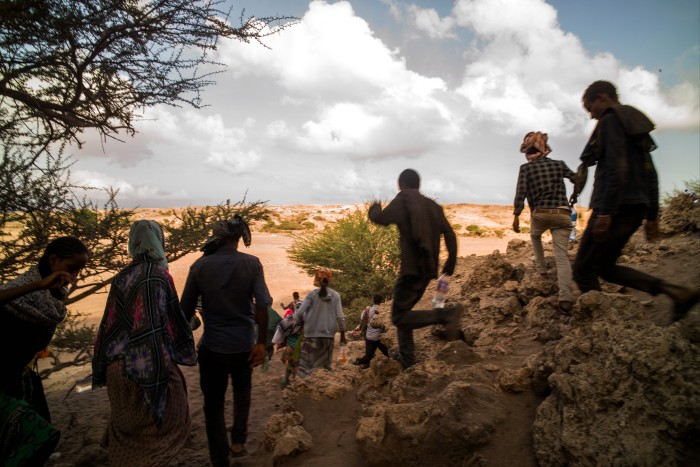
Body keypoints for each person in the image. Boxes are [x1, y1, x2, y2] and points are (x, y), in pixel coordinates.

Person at [573, 80, 700, 321]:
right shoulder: (631, 122)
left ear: (603, 97)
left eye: (591, 108)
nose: (591, 116)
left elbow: (616, 167)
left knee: (583, 270)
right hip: (634, 207)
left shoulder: (611, 119)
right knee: (605, 267)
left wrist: (605, 213)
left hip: (616, 207)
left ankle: (603, 327)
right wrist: (652, 214)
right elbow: (650, 171)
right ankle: (678, 292)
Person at [92, 220, 196, 466]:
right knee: (162, 437)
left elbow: (109, 323)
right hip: (148, 369)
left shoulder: (120, 277)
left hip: (116, 369)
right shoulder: (158, 276)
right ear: (158, 242)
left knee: (126, 436)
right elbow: (164, 323)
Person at [180, 215, 271, 465]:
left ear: (216, 238)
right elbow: (262, 305)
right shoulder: (252, 264)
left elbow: (184, 310)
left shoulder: (200, 266)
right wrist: (261, 342)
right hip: (244, 345)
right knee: (243, 393)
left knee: (213, 404)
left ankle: (219, 458)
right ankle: (239, 442)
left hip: (212, 348)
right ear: (238, 238)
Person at [0, 236, 89, 466]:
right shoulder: (23, 290)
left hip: (21, 377)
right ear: (53, 260)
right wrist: (38, 285)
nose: (74, 277)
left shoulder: (53, 296)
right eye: (71, 268)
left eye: (79, 271)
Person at [369, 168, 462, 369]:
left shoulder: (404, 200)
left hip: (411, 270)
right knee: (405, 313)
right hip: (428, 270)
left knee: (399, 317)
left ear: (401, 185)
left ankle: (445, 315)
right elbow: (449, 233)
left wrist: (374, 207)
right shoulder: (433, 206)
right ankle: (407, 360)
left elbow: (380, 218)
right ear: (418, 185)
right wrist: (451, 259)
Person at [513, 131, 577, 312]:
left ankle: (541, 270)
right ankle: (565, 297)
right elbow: (576, 179)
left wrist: (516, 215)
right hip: (563, 214)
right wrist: (574, 195)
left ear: (529, 153)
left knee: (535, 236)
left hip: (540, 214)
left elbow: (521, 192)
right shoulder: (559, 165)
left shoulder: (526, 169)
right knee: (562, 257)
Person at [294, 268, 346, 377]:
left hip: (311, 336)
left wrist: (302, 323)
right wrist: (342, 335)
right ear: (330, 279)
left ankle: (302, 391)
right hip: (328, 337)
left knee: (305, 369)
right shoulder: (336, 295)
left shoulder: (312, 295)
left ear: (317, 280)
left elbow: (299, 314)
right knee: (323, 371)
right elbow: (340, 317)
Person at [351, 294, 389, 369]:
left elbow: (363, 322)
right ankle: (361, 363)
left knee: (369, 355)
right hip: (378, 338)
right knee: (387, 352)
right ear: (381, 301)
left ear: (373, 300)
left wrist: (359, 329)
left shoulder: (368, 310)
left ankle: (360, 363)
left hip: (369, 337)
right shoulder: (383, 311)